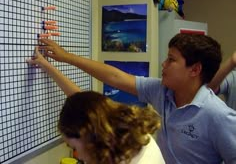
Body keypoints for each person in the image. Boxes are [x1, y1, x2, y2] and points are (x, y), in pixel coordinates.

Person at [37, 33, 236, 164]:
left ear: (195, 69)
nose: (164, 64)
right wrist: (64, 58)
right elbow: (114, 78)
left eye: (171, 59)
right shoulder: (162, 90)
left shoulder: (218, 115)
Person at [26, 47, 165, 164]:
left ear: (86, 134)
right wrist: (47, 66)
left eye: (73, 146)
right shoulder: (135, 137)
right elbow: (85, 105)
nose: (78, 156)